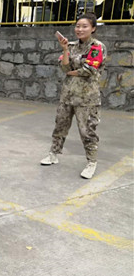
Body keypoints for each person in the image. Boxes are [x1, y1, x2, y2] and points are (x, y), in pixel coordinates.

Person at [40, 13, 107, 179]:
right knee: (60, 126)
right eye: (78, 26)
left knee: (87, 131)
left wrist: (72, 71)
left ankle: (91, 162)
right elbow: (64, 68)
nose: (80, 29)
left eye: (84, 26)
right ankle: (53, 154)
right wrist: (64, 49)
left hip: (87, 99)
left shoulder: (97, 46)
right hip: (68, 95)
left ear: (93, 28)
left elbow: (89, 70)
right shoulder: (70, 45)